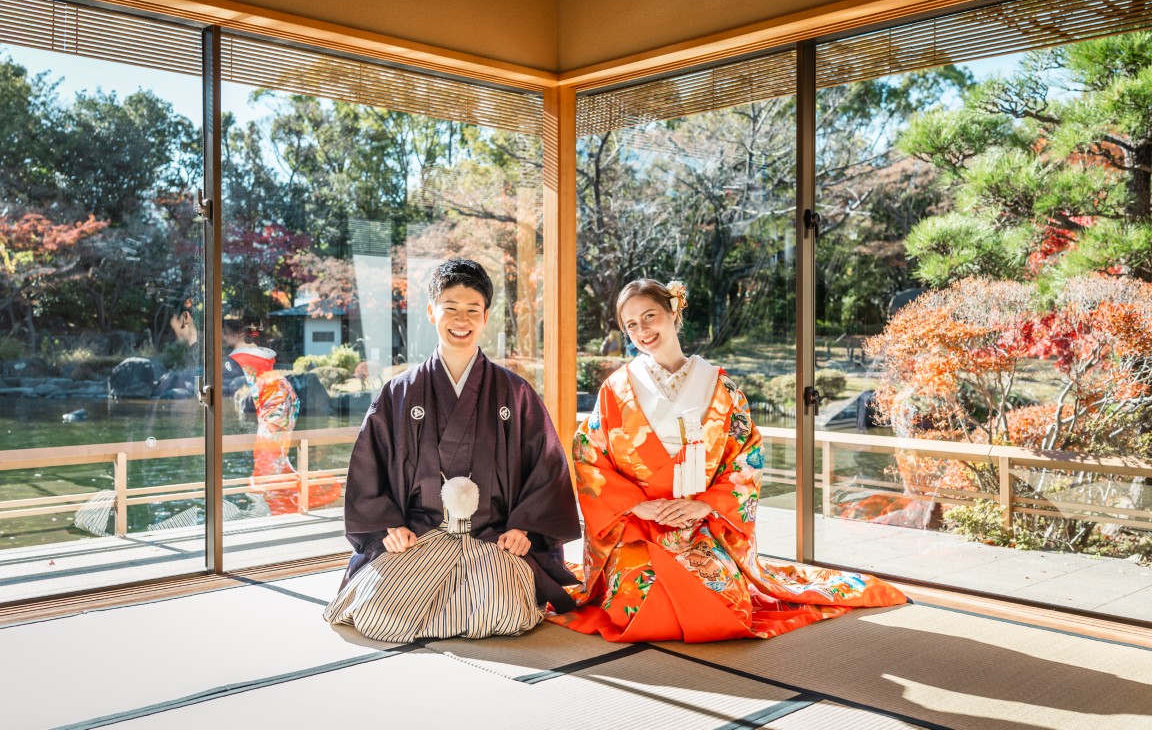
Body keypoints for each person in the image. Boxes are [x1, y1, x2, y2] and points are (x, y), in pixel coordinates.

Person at [551, 279, 906, 643]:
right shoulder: (616, 388)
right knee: (637, 602)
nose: (642, 331)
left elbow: (746, 456)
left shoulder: (720, 386)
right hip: (638, 525)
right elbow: (588, 457)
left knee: (728, 604)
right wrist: (638, 507)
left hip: (700, 522)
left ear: (674, 312)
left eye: (650, 316)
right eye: (631, 325)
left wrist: (704, 504)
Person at [324, 258, 581, 643]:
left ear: (485, 316)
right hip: (419, 534)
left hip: (491, 538)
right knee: (378, 613)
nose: (462, 320)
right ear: (431, 312)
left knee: (504, 611)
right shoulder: (400, 392)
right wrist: (388, 527)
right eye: (451, 308)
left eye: (472, 310)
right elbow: (369, 467)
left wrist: (524, 527)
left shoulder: (514, 392)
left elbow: (545, 466)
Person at [223, 318, 340, 515]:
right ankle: (285, 503)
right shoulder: (256, 353)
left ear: (239, 334)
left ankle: (283, 506)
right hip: (282, 395)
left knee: (268, 456)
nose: (223, 337)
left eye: (225, 332)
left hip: (275, 399)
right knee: (274, 457)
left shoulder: (237, 357)